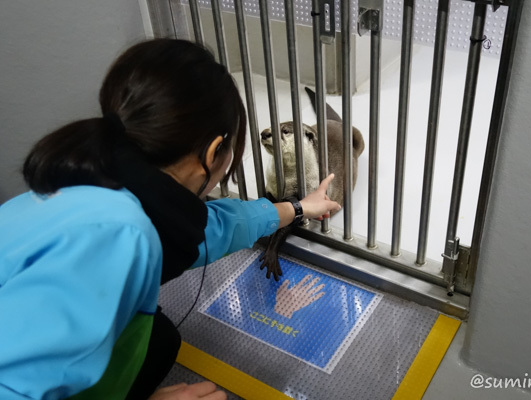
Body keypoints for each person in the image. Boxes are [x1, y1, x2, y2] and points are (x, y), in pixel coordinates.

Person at [0, 38, 340, 399]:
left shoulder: (101, 176)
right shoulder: (115, 237)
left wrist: (296, 208)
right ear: (213, 152)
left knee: (158, 338)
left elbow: (210, 229)